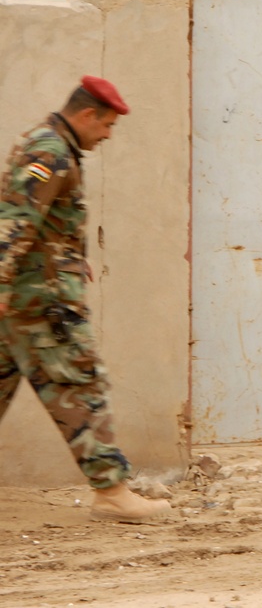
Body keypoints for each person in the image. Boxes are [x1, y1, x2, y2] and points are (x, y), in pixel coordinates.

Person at [0, 77, 172, 523]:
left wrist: (69, 257)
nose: (108, 135)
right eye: (107, 125)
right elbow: (15, 223)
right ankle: (112, 492)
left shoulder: (49, 143)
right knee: (79, 385)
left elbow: (40, 223)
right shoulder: (50, 152)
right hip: (40, 307)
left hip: (26, 298)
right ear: (87, 115)